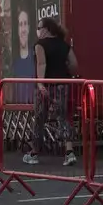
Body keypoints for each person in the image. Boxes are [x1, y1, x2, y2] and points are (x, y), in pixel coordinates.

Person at [23, 17, 79, 167]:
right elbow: (74, 64)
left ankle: (34, 152)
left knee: (40, 118)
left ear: (47, 29)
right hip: (62, 84)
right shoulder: (64, 45)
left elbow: (41, 63)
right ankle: (69, 152)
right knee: (63, 117)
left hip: (46, 86)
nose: (38, 31)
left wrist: (40, 83)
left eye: (39, 27)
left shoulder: (40, 45)